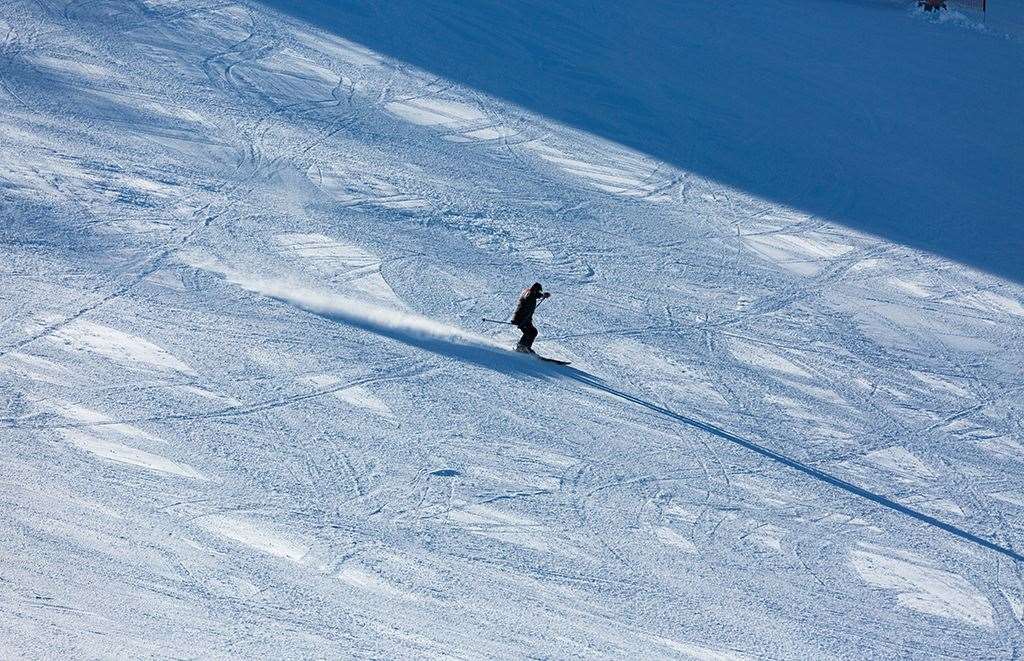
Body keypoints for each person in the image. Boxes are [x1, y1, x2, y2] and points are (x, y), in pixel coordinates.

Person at [510, 282, 550, 353]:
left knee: (532, 332)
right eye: (538, 291)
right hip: (521, 318)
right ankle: (522, 347)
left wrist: (542, 295)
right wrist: (542, 295)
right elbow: (530, 296)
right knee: (531, 332)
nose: (538, 292)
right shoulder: (529, 294)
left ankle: (523, 347)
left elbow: (534, 295)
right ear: (535, 289)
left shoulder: (529, 292)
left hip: (525, 318)